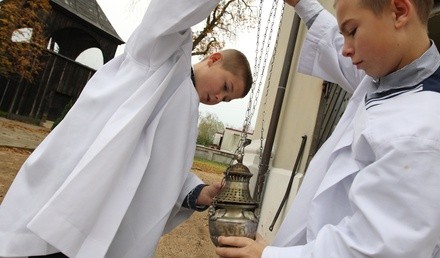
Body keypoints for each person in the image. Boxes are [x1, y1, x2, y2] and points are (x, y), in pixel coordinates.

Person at [216, 0, 440, 257]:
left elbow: (371, 250)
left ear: (399, 12)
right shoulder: (389, 78)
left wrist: (268, 255)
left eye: (352, 31)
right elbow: (336, 44)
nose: (345, 49)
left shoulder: (428, 132)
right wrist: (302, 4)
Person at [0, 0, 253, 257]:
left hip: (112, 221)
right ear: (214, 59)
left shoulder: (189, 113)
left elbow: (165, 170)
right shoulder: (163, 55)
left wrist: (198, 192)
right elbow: (172, 10)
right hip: (82, 193)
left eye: (226, 99)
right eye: (225, 87)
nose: (219, 98)